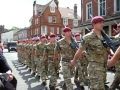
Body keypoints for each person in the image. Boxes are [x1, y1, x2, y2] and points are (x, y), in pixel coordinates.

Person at [71, 16, 110, 90]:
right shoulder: (87, 37)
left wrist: (112, 54)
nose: (102, 24)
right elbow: (80, 50)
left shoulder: (104, 36)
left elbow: (107, 49)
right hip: (94, 67)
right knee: (95, 87)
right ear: (94, 24)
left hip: (104, 66)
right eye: (100, 23)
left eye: (102, 22)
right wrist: (74, 61)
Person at [107, 23, 120, 90]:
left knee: (117, 78)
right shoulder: (116, 37)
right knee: (117, 78)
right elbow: (110, 46)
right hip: (118, 61)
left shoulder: (116, 37)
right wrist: (112, 54)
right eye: (118, 27)